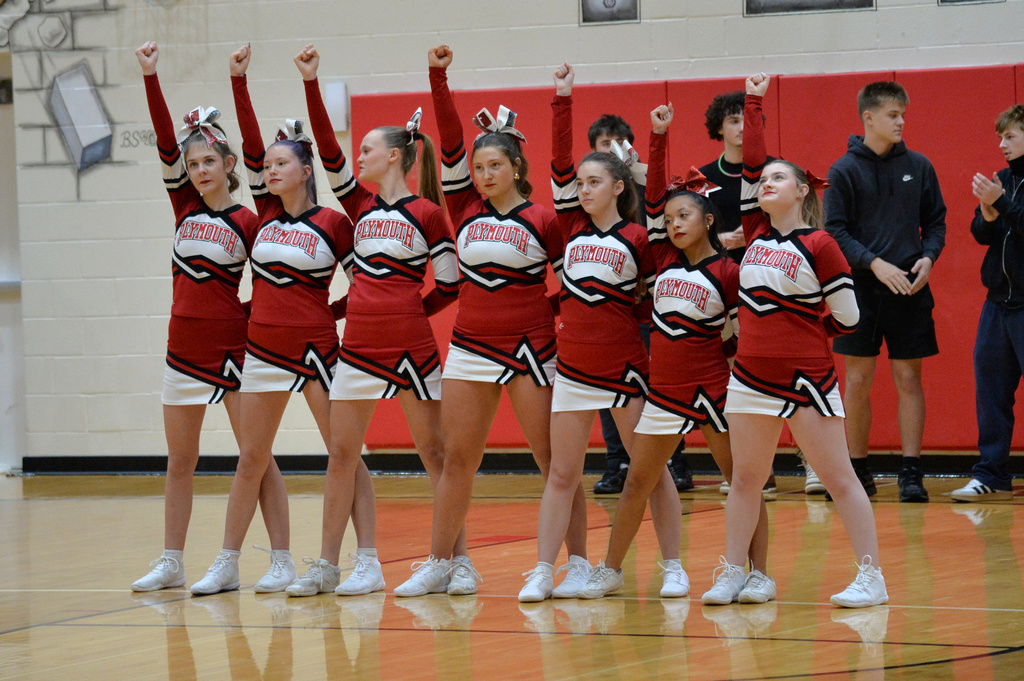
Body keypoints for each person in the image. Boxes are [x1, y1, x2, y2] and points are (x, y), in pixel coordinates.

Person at [391, 44, 584, 597]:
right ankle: (446, 563)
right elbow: (448, 140)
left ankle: (579, 565)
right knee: (457, 458)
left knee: (553, 462)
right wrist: (438, 76)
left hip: (530, 348)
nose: (482, 173)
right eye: (477, 167)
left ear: (516, 167)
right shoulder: (463, 210)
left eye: (494, 165)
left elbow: (570, 289)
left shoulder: (544, 219)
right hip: (471, 345)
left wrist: (539, 318)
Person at [189, 43, 369, 595]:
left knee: (343, 454)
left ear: (305, 170)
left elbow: (365, 283)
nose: (269, 170)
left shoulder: (335, 223)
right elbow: (245, 140)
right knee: (251, 458)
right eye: (265, 165)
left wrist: (329, 311)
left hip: (317, 351)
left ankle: (367, 559)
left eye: (280, 163)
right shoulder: (262, 214)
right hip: (261, 351)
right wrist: (237, 81)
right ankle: (231, 561)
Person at [702, 73, 887, 609]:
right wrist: (752, 102)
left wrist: (807, 332)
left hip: (807, 379)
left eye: (779, 180)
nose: (766, 184)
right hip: (750, 378)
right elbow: (753, 164)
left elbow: (848, 318)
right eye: (763, 182)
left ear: (803, 191)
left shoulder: (822, 243)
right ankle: (735, 572)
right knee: (745, 481)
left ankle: (871, 576)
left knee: (839, 479)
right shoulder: (755, 235)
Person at [284, 45, 462, 597]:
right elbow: (330, 151)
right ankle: (330, 564)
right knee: (341, 454)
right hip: (357, 346)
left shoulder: (430, 214)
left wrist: (409, 309)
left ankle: (457, 562)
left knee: (435, 454)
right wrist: (312, 83)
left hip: (411, 345)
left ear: (394, 157)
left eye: (368, 149)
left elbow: (450, 285)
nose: (357, 156)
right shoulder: (356, 205)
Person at [578, 103, 771, 601]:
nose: (675, 223)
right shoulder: (661, 259)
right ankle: (611, 569)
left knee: (741, 481)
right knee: (636, 483)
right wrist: (658, 135)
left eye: (685, 216)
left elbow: (735, 339)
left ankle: (757, 574)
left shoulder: (730, 273)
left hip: (712, 388)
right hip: (663, 391)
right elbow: (656, 193)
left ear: (709, 220)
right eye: (669, 218)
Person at [130, 42, 293, 593]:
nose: (198, 171)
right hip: (181, 347)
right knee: (182, 459)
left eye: (207, 163)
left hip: (232, 349)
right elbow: (162, 142)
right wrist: (150, 75)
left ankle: (280, 559)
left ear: (229, 166)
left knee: (256, 454)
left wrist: (239, 317)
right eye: (191, 163)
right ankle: (171, 558)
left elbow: (269, 289)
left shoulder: (249, 220)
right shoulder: (183, 206)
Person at [518, 62, 679, 603]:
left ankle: (673, 565)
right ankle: (547, 569)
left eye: (594, 183)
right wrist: (561, 95)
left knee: (650, 471)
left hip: (625, 369)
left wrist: (656, 139)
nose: (582, 189)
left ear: (616, 186)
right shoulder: (567, 228)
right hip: (573, 368)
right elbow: (559, 161)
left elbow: (656, 198)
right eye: (579, 183)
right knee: (561, 474)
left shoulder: (640, 236)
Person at [824, 80, 947, 504]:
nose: (901, 122)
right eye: (893, 115)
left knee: (909, 377)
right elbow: (835, 232)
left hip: (910, 287)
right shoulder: (843, 170)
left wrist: (929, 257)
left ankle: (912, 471)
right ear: (869, 118)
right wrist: (874, 262)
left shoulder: (920, 165)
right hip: (859, 290)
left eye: (903, 115)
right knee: (856, 380)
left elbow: (935, 222)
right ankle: (858, 469)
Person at [699, 90, 804, 495]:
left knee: (791, 371)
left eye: (748, 118)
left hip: (774, 282)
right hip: (725, 286)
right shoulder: (703, 179)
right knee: (737, 380)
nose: (742, 127)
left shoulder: (775, 173)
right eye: (733, 120)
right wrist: (721, 240)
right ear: (720, 129)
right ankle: (759, 470)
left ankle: (812, 460)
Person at [587, 114, 693, 495]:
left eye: (620, 142)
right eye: (604, 144)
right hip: (609, 313)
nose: (613, 149)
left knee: (660, 385)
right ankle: (617, 464)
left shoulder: (651, 190)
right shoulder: (589, 201)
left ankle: (675, 462)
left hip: (654, 305)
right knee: (607, 391)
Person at [953, 104, 1024, 502]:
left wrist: (1005, 205)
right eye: (1000, 137)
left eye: (1009, 136)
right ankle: (992, 474)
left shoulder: (1008, 189)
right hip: (998, 303)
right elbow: (983, 234)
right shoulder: (1003, 180)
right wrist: (987, 213)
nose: (1002, 144)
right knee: (991, 392)